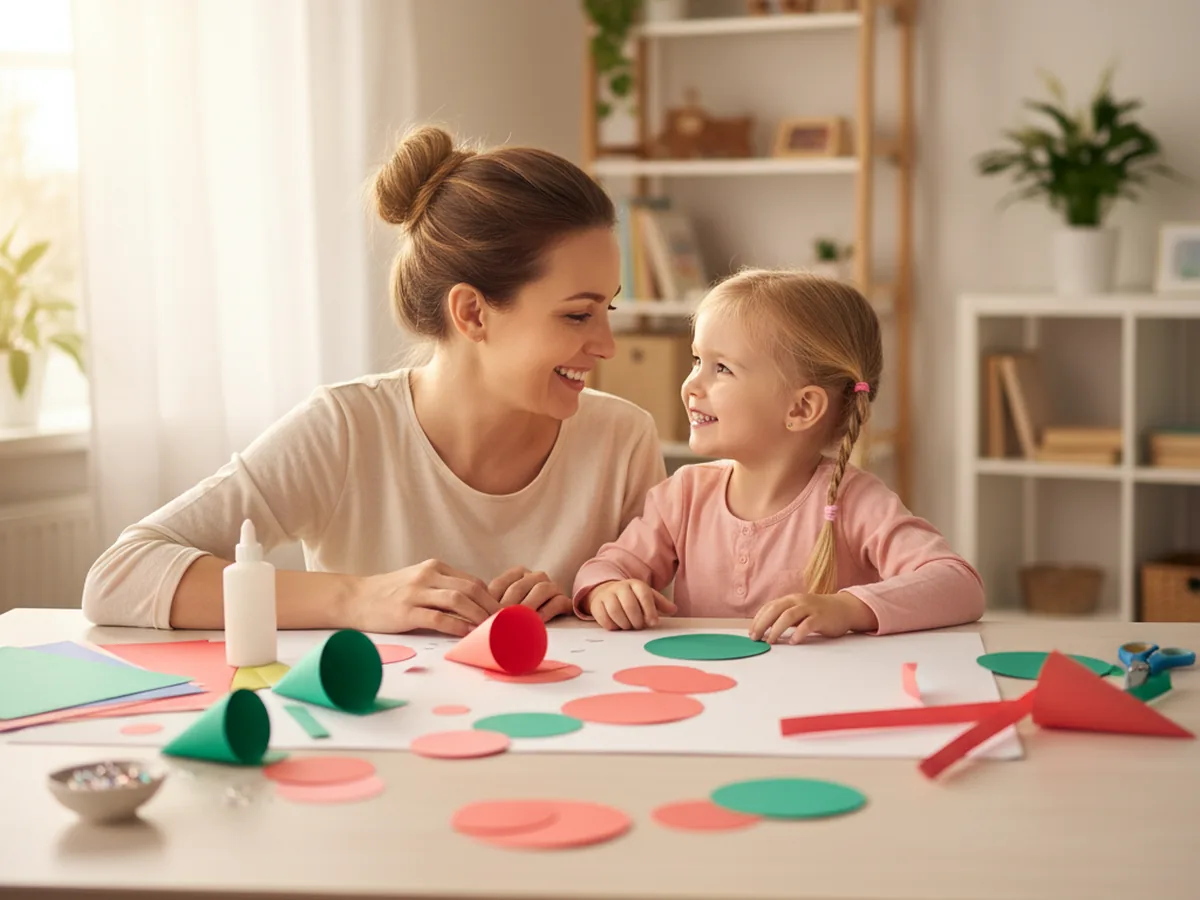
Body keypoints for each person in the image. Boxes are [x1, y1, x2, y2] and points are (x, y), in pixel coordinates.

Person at [82, 125, 666, 636]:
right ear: (472, 314)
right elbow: (120, 576)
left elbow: (670, 619)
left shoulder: (622, 439)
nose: (606, 346)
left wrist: (587, 606)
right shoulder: (345, 430)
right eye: (576, 314)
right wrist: (358, 598)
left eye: (607, 309)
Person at [572, 269, 985, 643]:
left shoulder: (854, 502)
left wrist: (847, 609)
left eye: (722, 369)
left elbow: (958, 585)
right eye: (697, 360)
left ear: (801, 409)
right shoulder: (683, 495)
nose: (691, 385)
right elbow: (603, 569)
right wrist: (608, 590)